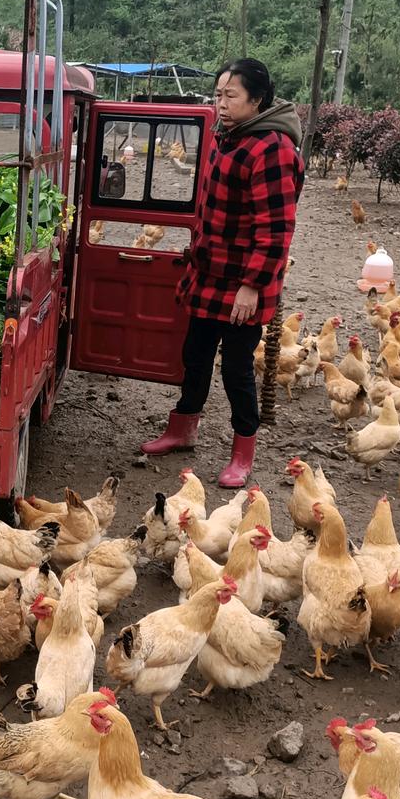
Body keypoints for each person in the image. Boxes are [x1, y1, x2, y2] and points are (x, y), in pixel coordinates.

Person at [140, 58, 305, 487]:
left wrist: (252, 286)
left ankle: (242, 451)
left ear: (259, 99)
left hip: (242, 283)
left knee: (236, 367)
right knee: (194, 354)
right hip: (211, 272)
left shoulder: (273, 148)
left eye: (231, 96)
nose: (222, 103)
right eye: (218, 94)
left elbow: (276, 228)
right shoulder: (229, 137)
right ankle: (182, 429)